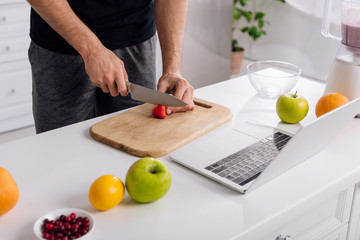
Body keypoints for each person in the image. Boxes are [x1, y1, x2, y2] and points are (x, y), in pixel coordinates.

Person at [26, 0, 195, 133]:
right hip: (59, 44)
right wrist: (92, 50)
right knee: (59, 152)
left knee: (137, 143)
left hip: (136, 41)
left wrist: (173, 69)